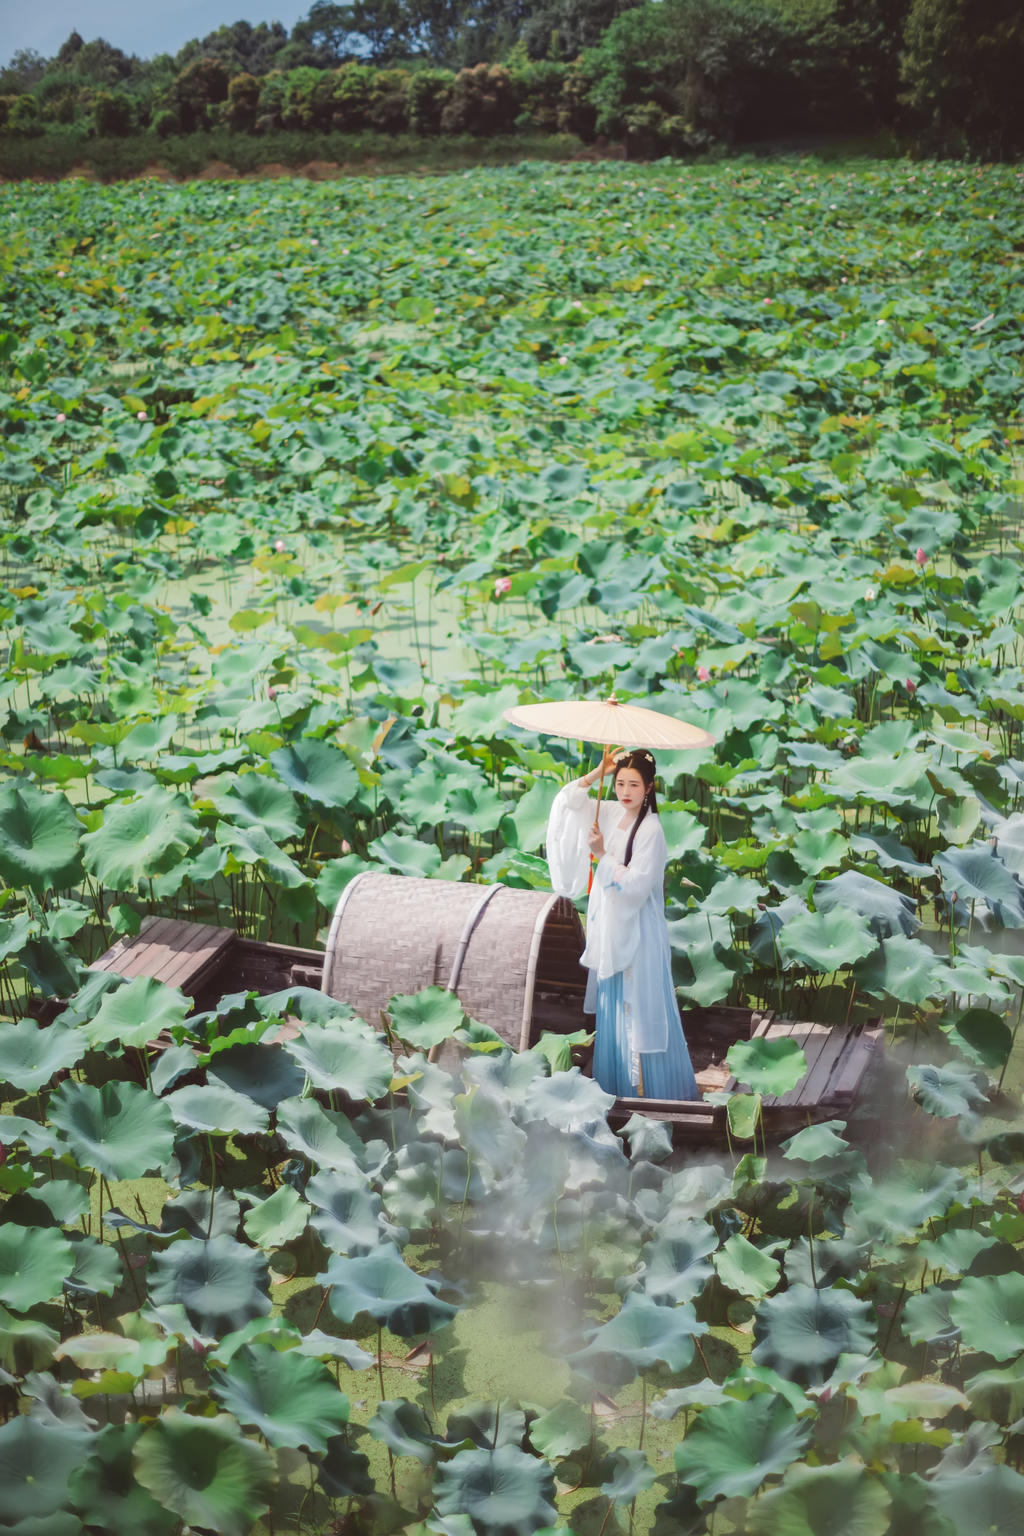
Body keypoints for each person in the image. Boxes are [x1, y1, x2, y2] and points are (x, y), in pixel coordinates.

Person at [545, 748, 699, 1100]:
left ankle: (649, 1096)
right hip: (612, 931)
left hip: (639, 934)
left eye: (634, 785)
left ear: (649, 787)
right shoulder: (613, 812)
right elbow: (568, 803)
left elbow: (635, 888)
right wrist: (597, 773)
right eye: (620, 783)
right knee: (613, 1010)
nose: (625, 791)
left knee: (639, 1012)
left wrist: (602, 854)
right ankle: (613, 1091)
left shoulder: (651, 831)